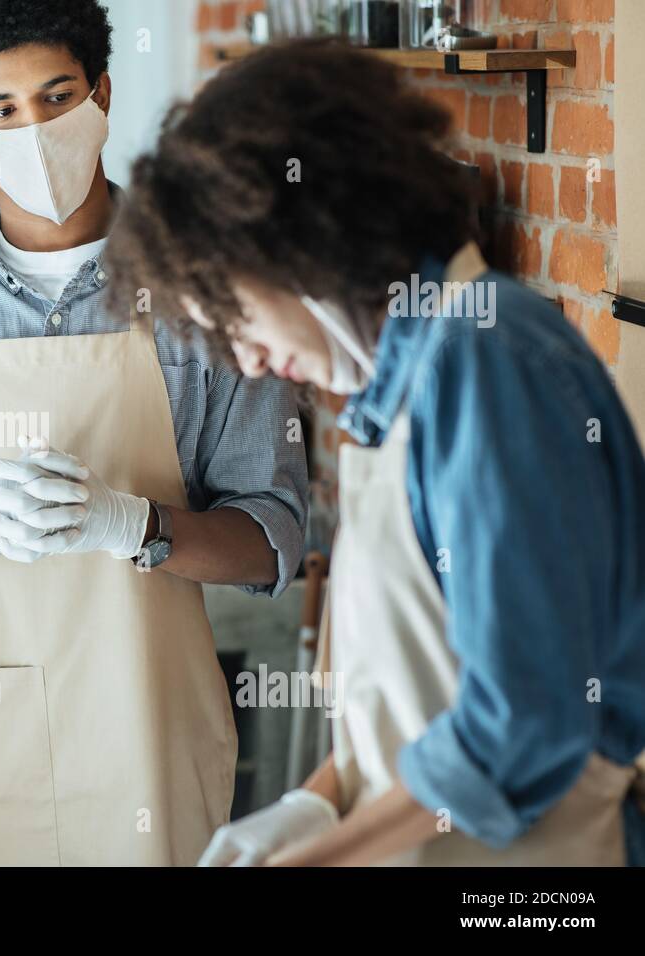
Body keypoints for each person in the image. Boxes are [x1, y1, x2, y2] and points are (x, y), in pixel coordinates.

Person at [107, 39, 645, 866]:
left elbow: (524, 722)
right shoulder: (394, 389)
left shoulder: (485, 367)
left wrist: (319, 855)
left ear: (299, 239)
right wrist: (311, 805)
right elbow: (405, 707)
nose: (247, 361)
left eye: (235, 316)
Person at [0, 0, 308, 866]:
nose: (35, 129)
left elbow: (271, 541)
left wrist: (138, 525)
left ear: (104, 94)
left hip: (149, 737)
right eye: (3, 111)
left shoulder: (206, 298)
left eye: (57, 97)